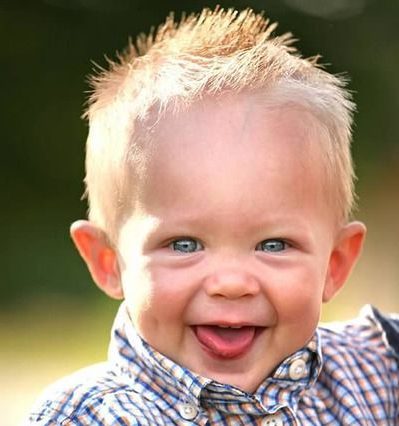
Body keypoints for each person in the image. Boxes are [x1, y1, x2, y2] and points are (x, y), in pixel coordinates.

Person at [27, 7, 399, 425]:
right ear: (108, 261)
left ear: (335, 263)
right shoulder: (88, 418)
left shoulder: (375, 372)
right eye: (184, 245)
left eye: (273, 245)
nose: (231, 284)